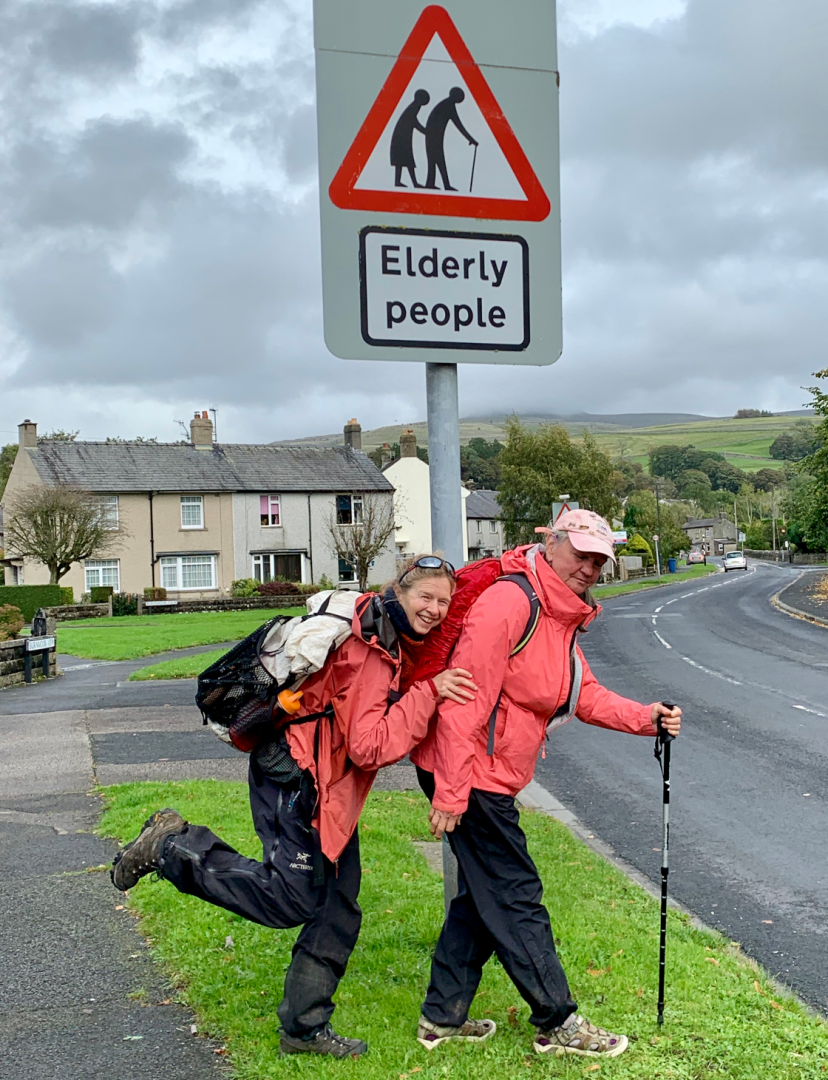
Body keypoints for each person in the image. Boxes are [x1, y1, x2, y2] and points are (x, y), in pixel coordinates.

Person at [110, 556, 475, 1059]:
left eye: (443, 601)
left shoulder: (381, 628)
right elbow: (369, 746)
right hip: (298, 776)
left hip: (325, 782)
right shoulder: (371, 650)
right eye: (425, 598)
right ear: (399, 591)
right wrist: (430, 694)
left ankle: (303, 1031)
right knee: (292, 899)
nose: (434, 610)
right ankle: (173, 847)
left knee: (338, 907)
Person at [410, 510, 682, 1059]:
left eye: (599, 559)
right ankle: (560, 1022)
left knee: (481, 898)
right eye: (580, 553)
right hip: (467, 771)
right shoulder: (512, 603)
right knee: (515, 895)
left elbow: (581, 693)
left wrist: (645, 716)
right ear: (551, 543)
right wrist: (452, 792)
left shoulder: (557, 616)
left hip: (490, 774)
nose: (590, 567)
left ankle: (441, 1019)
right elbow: (465, 701)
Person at [424, 87, 478, 191]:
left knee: (435, 160)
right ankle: (443, 185)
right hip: (434, 137)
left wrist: (470, 139)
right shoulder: (448, 106)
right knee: (438, 160)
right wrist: (471, 139)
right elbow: (458, 125)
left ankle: (431, 183)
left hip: (433, 136)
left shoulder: (446, 104)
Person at [390, 89, 430, 187]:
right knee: (406, 160)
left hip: (403, 137)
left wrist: (425, 131)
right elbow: (413, 121)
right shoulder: (415, 107)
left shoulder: (414, 106)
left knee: (405, 160)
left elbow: (413, 121)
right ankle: (410, 183)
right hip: (402, 138)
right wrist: (425, 131)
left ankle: (409, 182)